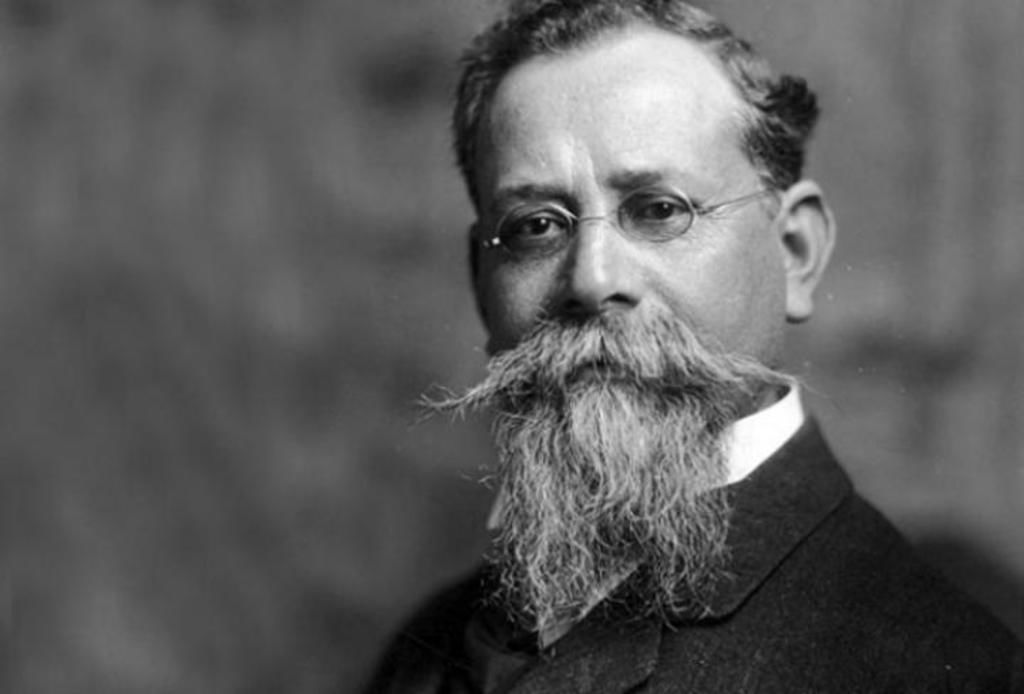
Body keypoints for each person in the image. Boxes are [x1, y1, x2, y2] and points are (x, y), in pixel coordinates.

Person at [365, 1, 1024, 691]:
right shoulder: (424, 646)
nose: (592, 280)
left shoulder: (941, 670)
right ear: (481, 281)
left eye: (658, 210)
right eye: (536, 226)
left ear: (796, 252)